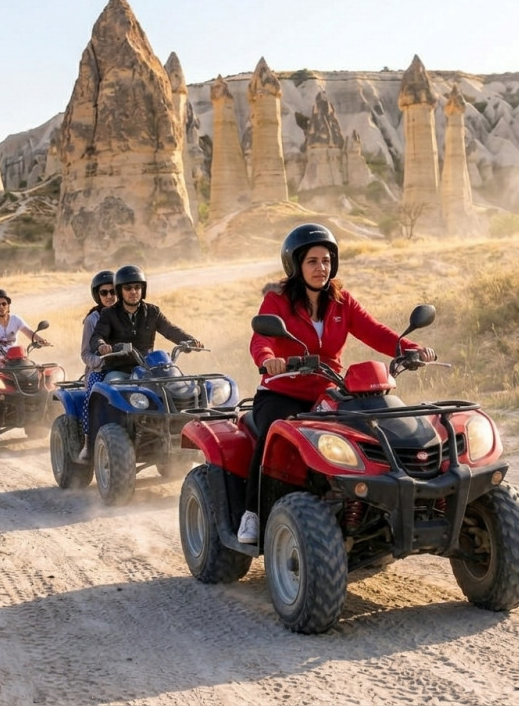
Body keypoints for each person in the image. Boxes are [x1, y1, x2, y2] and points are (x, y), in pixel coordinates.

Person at [237, 223, 437, 544]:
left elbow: (375, 332)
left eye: (327, 260)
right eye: (313, 261)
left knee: (369, 430)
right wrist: (268, 358)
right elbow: (261, 339)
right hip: (282, 392)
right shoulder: (277, 301)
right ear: (296, 265)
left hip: (329, 393)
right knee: (275, 429)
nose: (321, 268)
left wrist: (409, 349)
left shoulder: (342, 301)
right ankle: (252, 514)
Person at [90, 265, 202, 377]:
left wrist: (190, 340)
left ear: (142, 289)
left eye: (137, 287)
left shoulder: (152, 312)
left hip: (147, 370)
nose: (133, 291)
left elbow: (170, 330)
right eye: (128, 288)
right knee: (111, 383)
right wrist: (102, 345)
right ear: (120, 291)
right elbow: (97, 336)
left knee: (175, 384)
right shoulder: (109, 313)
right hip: (119, 371)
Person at [77, 270, 117, 461]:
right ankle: (88, 443)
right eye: (104, 292)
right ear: (97, 295)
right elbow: (85, 353)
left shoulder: (126, 314)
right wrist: (101, 362)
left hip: (127, 367)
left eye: (113, 291)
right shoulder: (92, 319)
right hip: (100, 369)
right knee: (92, 394)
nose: (109, 296)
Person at [0, 288, 50, 366]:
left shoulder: (15, 319)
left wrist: (41, 340)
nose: (1, 307)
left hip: (15, 359)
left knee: (32, 370)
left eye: (4, 304)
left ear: (8, 305)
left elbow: (30, 333)